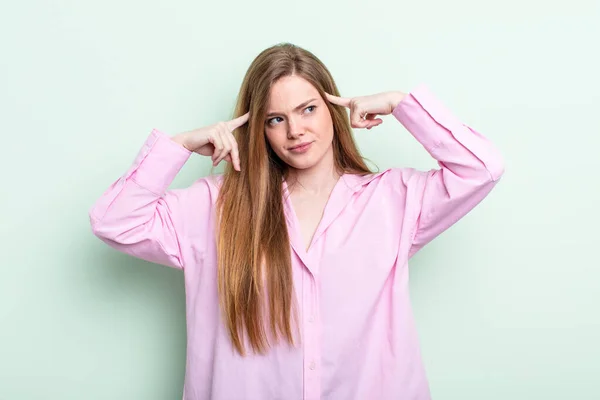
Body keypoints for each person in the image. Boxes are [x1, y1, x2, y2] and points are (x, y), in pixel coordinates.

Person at [89, 42, 504, 400]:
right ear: (258, 129)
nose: (295, 131)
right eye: (276, 119)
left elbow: (482, 169)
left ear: (333, 109)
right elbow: (114, 221)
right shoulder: (215, 207)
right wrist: (178, 146)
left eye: (308, 109)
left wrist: (401, 104)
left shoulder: (393, 200)